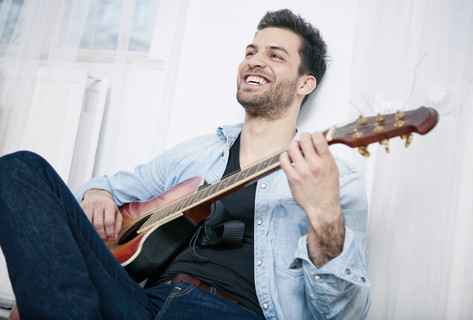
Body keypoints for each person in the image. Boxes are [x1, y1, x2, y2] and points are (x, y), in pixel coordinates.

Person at [0, 8, 370, 320]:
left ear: (305, 84)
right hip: (144, 304)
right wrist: (98, 193)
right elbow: (114, 185)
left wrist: (324, 217)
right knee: (19, 169)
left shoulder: (334, 179)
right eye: (251, 51)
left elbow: (339, 313)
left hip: (233, 312)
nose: (255, 60)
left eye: (275, 55)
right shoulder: (197, 152)